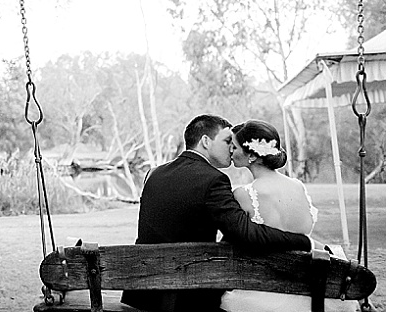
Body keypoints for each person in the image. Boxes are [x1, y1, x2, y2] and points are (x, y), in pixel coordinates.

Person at [121, 114, 318, 311]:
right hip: (187, 295)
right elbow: (247, 233)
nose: (231, 148)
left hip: (141, 291)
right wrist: (304, 241)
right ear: (206, 141)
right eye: (226, 141)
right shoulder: (214, 180)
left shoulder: (153, 173)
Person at [219, 121, 344, 311]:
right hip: (309, 290)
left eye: (234, 146)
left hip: (260, 293)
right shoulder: (297, 186)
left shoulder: (243, 195)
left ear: (251, 155)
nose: (230, 150)